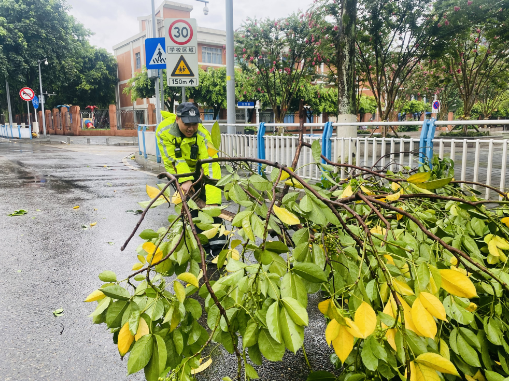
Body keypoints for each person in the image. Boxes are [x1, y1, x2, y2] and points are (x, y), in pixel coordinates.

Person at [156, 102, 225, 261]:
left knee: (211, 209)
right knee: (191, 208)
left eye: (195, 124)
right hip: (178, 172)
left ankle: (220, 249)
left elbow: (211, 165)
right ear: (177, 119)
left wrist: (214, 202)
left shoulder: (202, 135)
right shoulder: (164, 131)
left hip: (200, 171)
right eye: (187, 123)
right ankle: (203, 248)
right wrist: (185, 181)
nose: (191, 128)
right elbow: (172, 160)